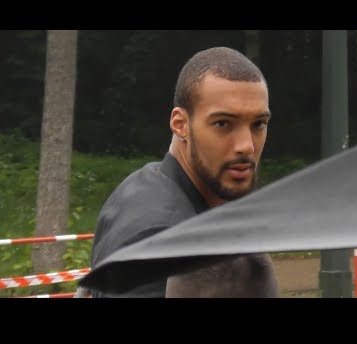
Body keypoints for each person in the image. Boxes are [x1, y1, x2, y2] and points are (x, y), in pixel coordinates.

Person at [84, 46, 279, 298]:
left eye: (258, 124)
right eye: (223, 123)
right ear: (181, 125)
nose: (246, 145)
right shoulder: (162, 239)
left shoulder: (149, 182)